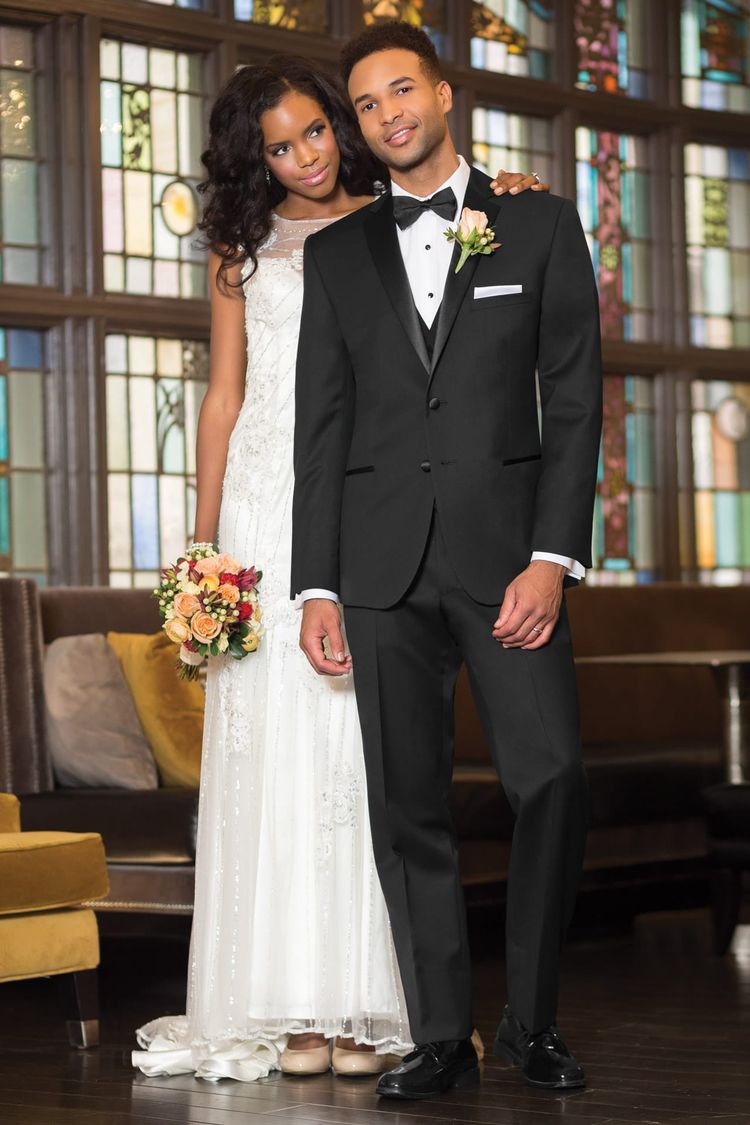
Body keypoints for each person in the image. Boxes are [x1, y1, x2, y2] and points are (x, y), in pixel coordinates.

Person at [131, 53, 547, 1084]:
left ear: (345, 126)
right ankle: (283, 1007)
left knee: (359, 755)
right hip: (263, 511)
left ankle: (372, 1003)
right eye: (278, 146)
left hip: (368, 503)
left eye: (318, 132)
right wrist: (204, 547)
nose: (305, 156)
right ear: (253, 159)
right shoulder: (238, 249)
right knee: (269, 751)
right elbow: (225, 399)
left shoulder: (397, 219)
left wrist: (515, 188)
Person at [292, 22, 603, 1101]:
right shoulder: (334, 255)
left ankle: (531, 1022)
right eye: (367, 106)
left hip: (509, 559)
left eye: (401, 92)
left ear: (445, 92)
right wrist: (318, 581)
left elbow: (573, 402)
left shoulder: (541, 223)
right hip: (378, 571)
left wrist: (553, 559)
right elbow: (319, 428)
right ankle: (436, 1034)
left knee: (552, 776)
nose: (388, 116)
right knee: (405, 803)